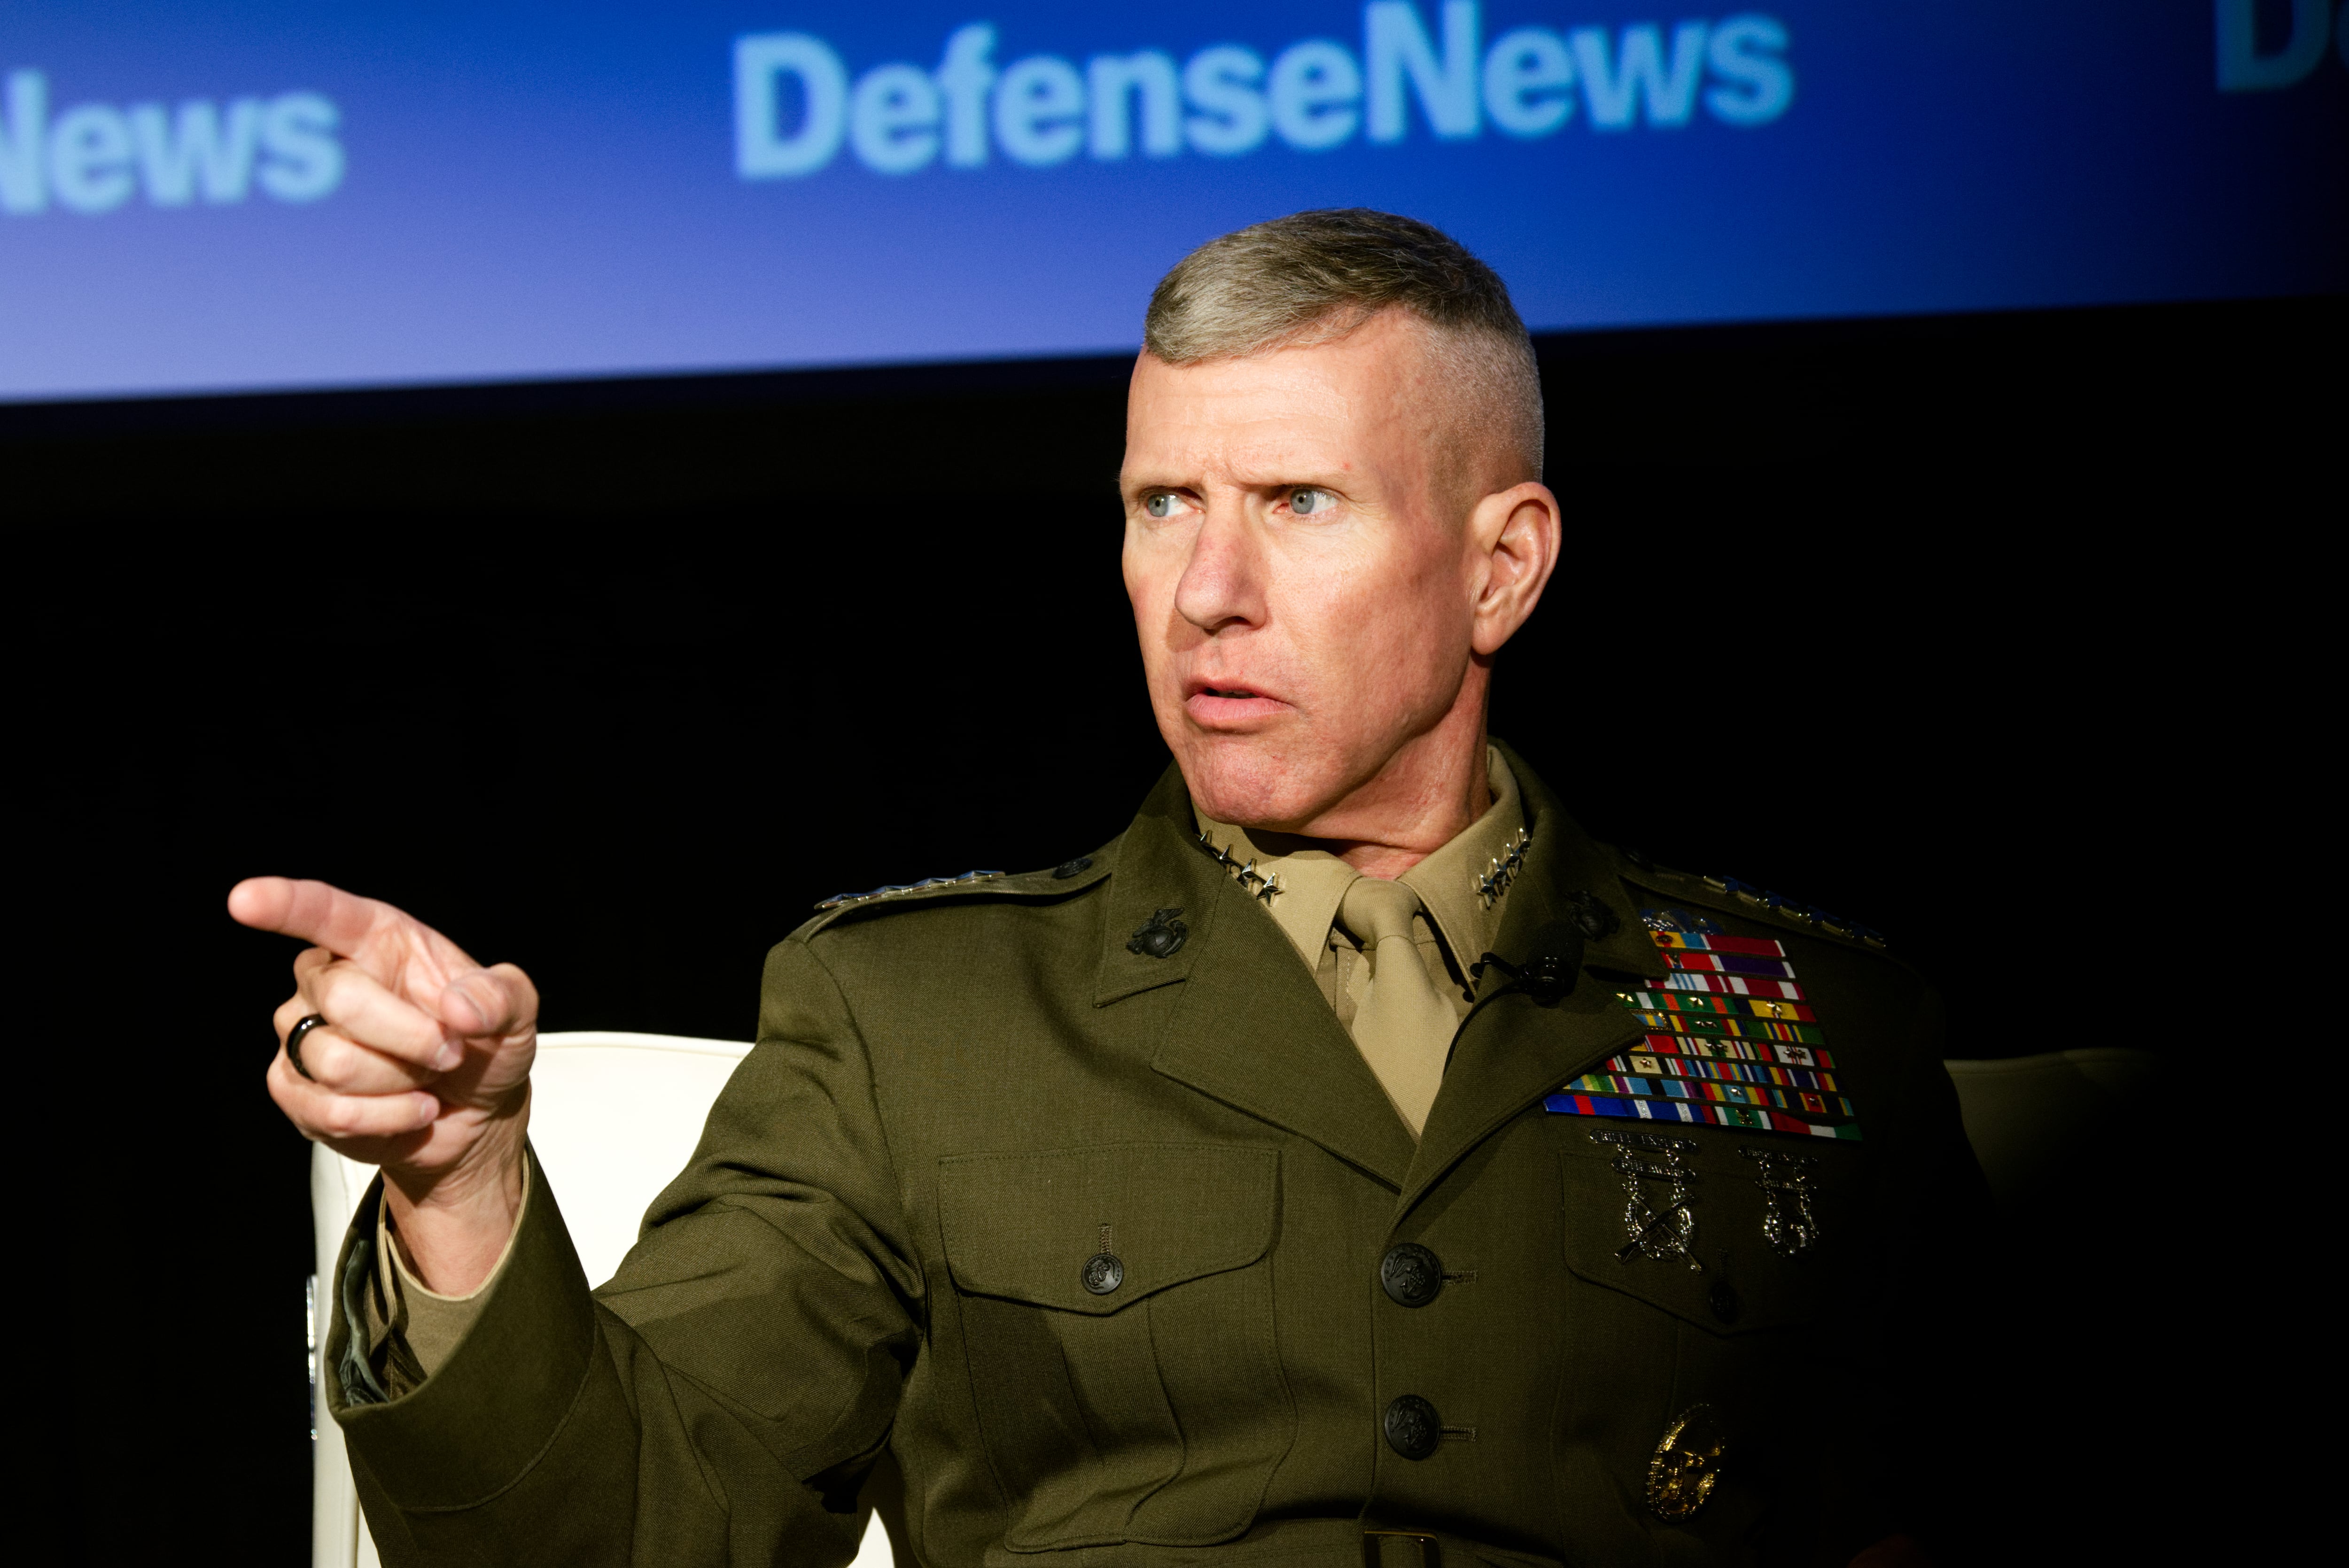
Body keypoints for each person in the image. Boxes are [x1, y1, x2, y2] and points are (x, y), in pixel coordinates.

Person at [233, 210, 1982, 1568]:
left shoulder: (1805, 1015)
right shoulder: (915, 1016)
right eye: (1163, 502)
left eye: (1299, 500)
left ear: (1500, 567)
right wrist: (464, 1185)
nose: (1207, 586)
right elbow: (624, 1538)